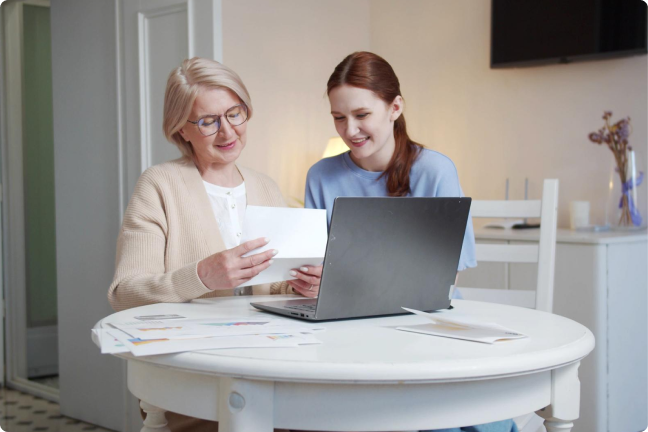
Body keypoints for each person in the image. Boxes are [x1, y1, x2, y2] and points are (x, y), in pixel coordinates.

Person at [304, 51, 518, 432]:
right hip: (349, 331)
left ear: (395, 107)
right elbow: (317, 269)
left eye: (361, 115)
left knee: (443, 413)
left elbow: (444, 279)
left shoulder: (434, 170)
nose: (349, 129)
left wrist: (349, 280)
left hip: (429, 325)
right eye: (339, 117)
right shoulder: (321, 176)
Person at [108, 57, 319, 431]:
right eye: (208, 121)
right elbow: (125, 293)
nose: (228, 132)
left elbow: (273, 286)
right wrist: (202, 276)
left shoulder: (266, 186)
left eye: (235, 113)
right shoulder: (159, 185)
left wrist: (303, 285)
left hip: (269, 367)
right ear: (181, 130)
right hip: (195, 378)